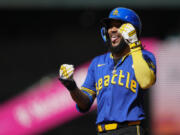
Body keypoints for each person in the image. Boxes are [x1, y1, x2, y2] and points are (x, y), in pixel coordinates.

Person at [59, 7, 156, 135]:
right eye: (110, 26)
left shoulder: (144, 56)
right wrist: (71, 86)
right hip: (103, 132)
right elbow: (85, 104)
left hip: (131, 130)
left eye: (119, 25)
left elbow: (146, 82)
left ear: (132, 30)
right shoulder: (97, 63)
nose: (113, 29)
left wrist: (134, 45)